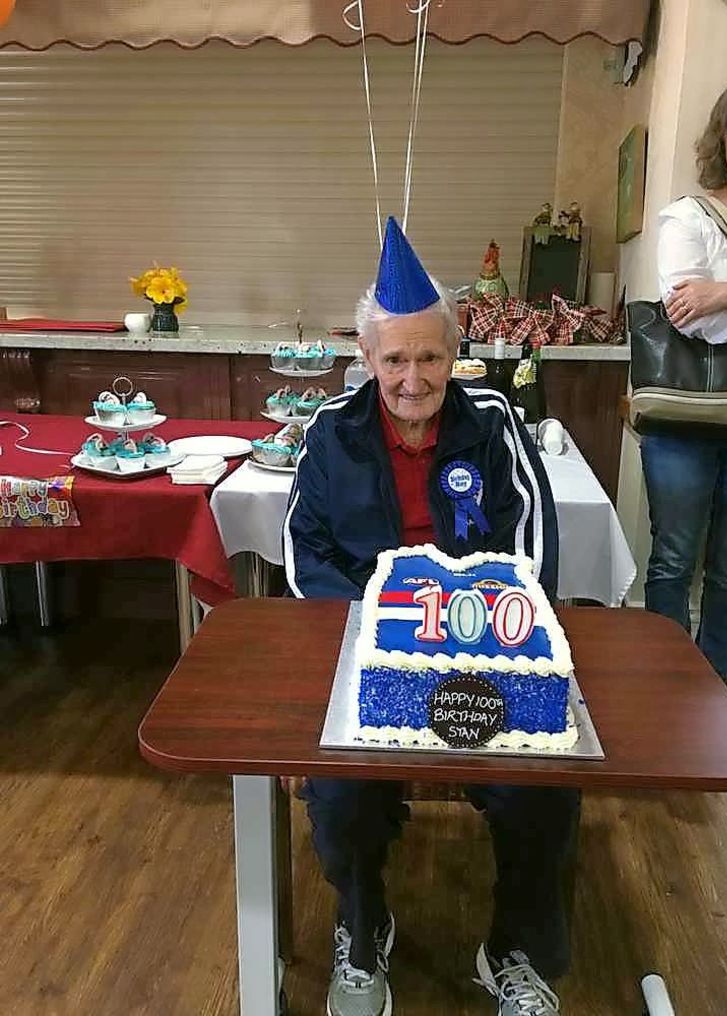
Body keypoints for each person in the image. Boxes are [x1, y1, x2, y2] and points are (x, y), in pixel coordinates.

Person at [283, 216, 579, 1015]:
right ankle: (362, 924)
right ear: (366, 357)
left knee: (544, 789)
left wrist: (489, 626)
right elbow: (304, 549)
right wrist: (377, 631)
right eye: (394, 359)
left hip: (482, 653)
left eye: (429, 357)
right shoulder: (330, 433)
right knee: (339, 794)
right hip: (370, 654)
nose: (412, 378)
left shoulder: (495, 422)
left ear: (455, 353)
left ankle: (513, 947)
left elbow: (532, 541)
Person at [643, 71, 727, 683]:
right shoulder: (687, 217)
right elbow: (687, 315)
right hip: (681, 414)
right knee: (672, 560)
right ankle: (666, 685)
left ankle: (712, 690)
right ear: (721, 137)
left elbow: (713, 308)